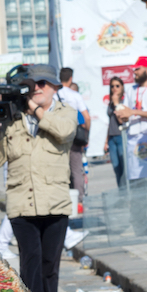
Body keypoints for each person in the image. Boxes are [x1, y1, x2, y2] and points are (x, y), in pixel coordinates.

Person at [0, 65, 76, 292]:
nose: (36, 88)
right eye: (32, 84)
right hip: (21, 203)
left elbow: (64, 132)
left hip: (54, 201)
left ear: (55, 88)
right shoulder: (12, 117)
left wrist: (35, 110)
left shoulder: (66, 113)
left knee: (50, 264)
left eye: (42, 84)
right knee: (30, 260)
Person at [116, 57, 147, 182]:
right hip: (133, 141)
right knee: (136, 184)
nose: (134, 72)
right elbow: (126, 115)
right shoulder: (131, 90)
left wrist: (134, 112)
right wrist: (122, 114)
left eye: (138, 69)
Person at [59, 67, 90, 204]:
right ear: (71, 78)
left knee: (61, 171)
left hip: (58, 135)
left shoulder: (54, 94)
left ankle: (63, 200)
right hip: (73, 135)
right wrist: (86, 134)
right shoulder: (75, 95)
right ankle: (79, 201)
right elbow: (87, 118)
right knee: (76, 170)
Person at [104, 76, 126, 187]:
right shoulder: (111, 103)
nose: (114, 88)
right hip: (112, 137)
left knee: (124, 167)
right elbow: (111, 122)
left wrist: (117, 104)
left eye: (117, 86)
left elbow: (121, 120)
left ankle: (128, 194)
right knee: (116, 168)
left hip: (122, 136)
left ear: (122, 87)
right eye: (112, 86)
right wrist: (106, 140)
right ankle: (121, 192)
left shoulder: (123, 101)